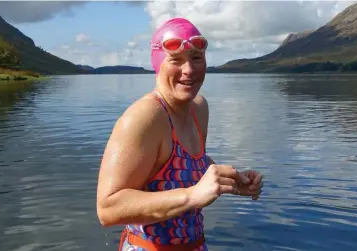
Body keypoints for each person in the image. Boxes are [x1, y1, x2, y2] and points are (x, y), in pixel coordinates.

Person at [96, 17, 264, 251]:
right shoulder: (144, 117)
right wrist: (193, 195)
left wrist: (234, 181)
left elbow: (187, 163)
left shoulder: (198, 107)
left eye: (196, 58)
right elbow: (108, 209)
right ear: (158, 64)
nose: (189, 70)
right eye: (176, 60)